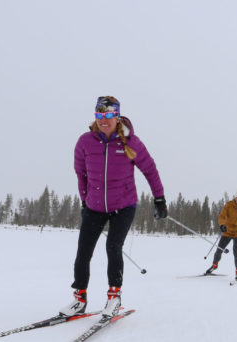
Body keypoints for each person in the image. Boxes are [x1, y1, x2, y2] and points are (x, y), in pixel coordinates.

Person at [60, 96, 167, 318]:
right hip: (94, 206)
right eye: (99, 115)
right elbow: (81, 174)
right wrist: (84, 200)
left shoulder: (130, 143)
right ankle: (79, 299)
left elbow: (150, 170)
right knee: (83, 251)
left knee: (113, 247)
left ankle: (114, 297)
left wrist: (159, 198)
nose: (103, 120)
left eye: (108, 115)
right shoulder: (85, 142)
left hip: (124, 205)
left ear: (117, 117)